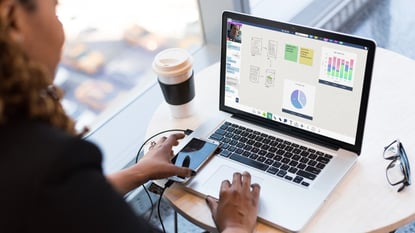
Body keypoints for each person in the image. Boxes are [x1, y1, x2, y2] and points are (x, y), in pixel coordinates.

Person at [0, 0, 261, 232]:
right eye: (55, 8)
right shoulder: (50, 163)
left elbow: (62, 204)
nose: (60, 27)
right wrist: (236, 226)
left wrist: (138, 172)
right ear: (14, 20)